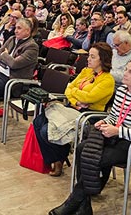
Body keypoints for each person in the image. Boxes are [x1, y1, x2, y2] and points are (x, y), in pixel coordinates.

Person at [48, 61, 131, 215]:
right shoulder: (122, 91)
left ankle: (74, 201)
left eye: (130, 72)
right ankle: (84, 205)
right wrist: (105, 122)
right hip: (119, 136)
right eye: (126, 69)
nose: (124, 74)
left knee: (97, 157)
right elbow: (114, 116)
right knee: (82, 149)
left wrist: (118, 131)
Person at [34, 43, 115, 177]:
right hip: (73, 108)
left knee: (45, 130)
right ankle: (56, 157)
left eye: (92, 57)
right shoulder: (86, 71)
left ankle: (59, 158)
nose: (88, 59)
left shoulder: (108, 80)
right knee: (39, 121)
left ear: (102, 60)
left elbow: (89, 97)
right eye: (89, 55)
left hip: (90, 115)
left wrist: (75, 93)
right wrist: (76, 101)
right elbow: (68, 89)